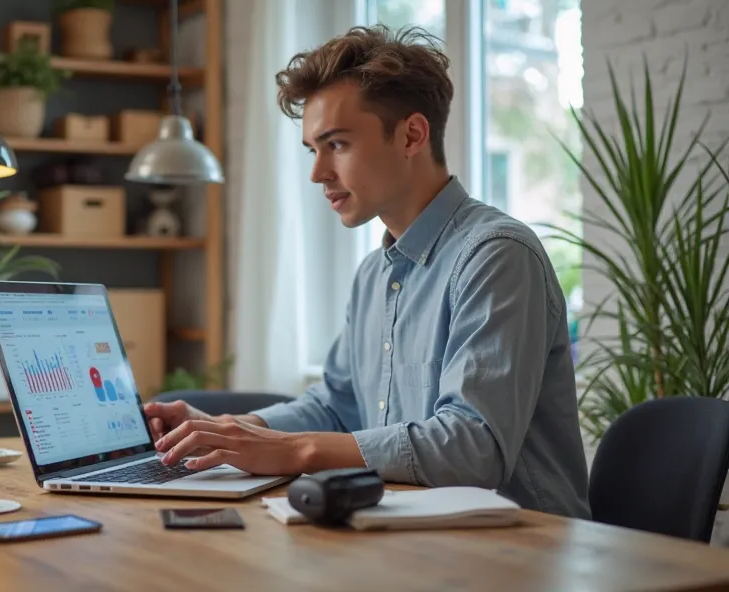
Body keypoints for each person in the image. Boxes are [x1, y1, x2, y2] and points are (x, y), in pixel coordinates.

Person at [145, 24, 591, 519]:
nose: (318, 173)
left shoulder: (496, 255)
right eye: (314, 150)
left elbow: (473, 448)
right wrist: (226, 428)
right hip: (414, 537)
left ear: (412, 135)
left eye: (336, 145)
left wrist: (299, 451)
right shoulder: (374, 275)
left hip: (523, 549)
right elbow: (337, 406)